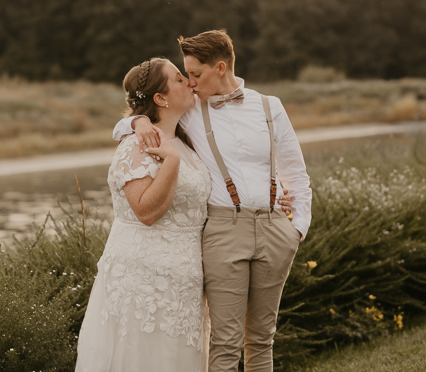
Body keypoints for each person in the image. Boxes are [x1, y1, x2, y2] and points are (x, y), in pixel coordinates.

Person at [76, 57, 293, 372]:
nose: (190, 82)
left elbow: (221, 186)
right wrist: (170, 161)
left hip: (187, 280)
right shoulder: (136, 147)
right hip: (145, 278)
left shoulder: (189, 141)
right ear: (161, 99)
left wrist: (274, 198)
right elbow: (146, 212)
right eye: (179, 78)